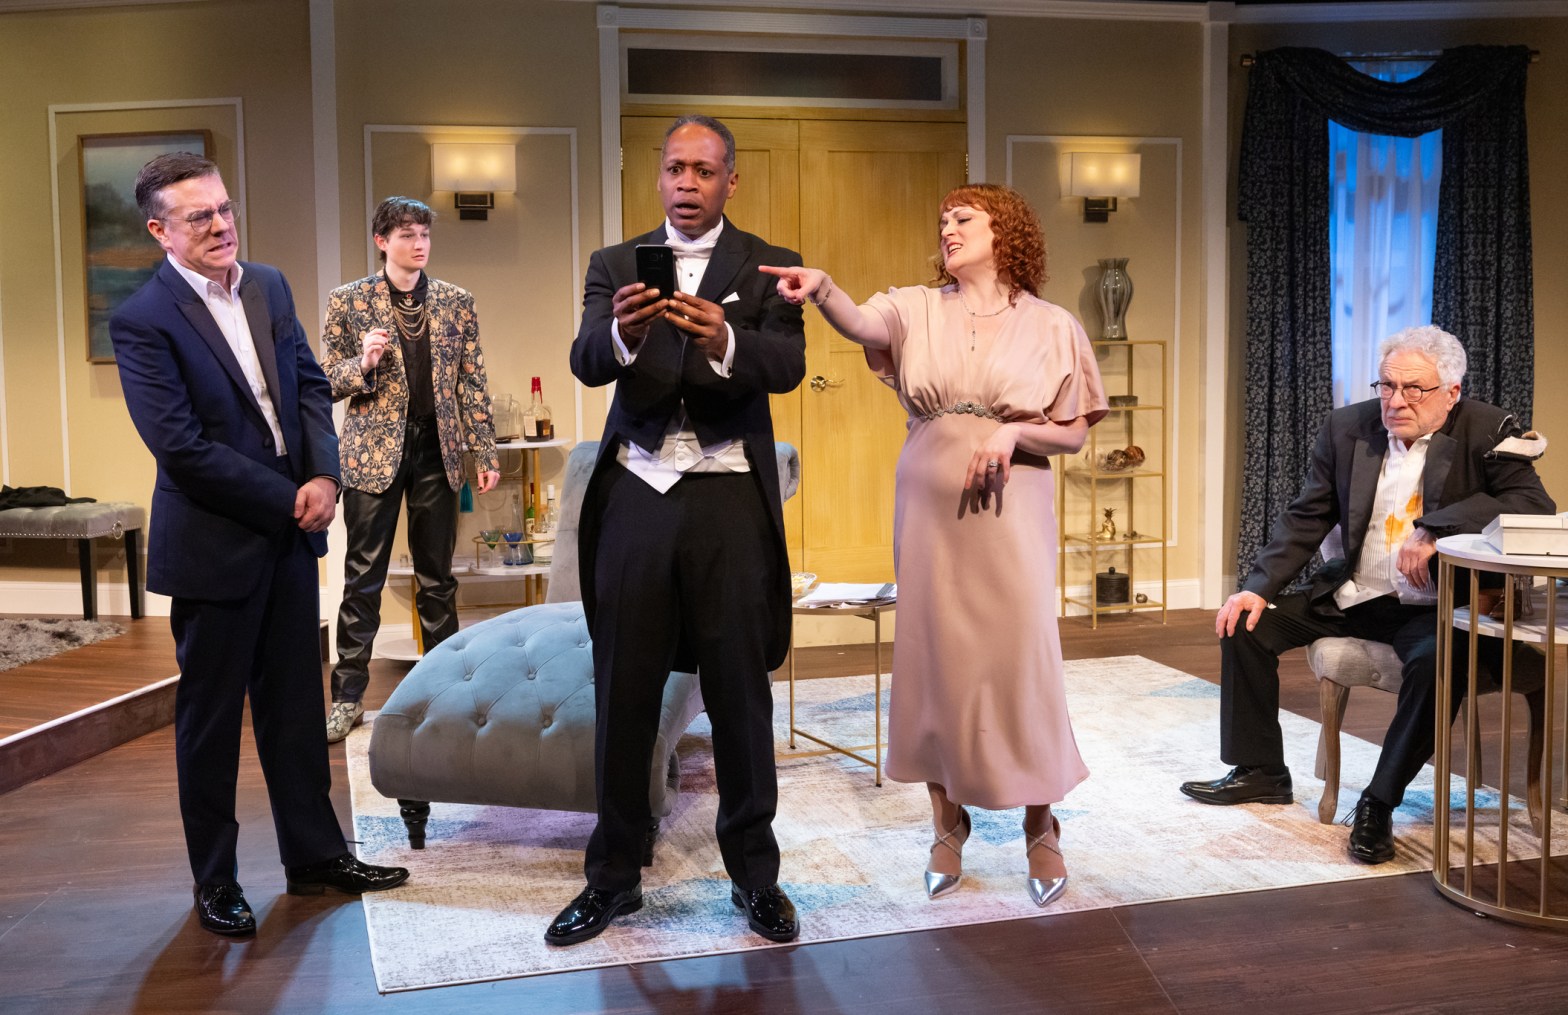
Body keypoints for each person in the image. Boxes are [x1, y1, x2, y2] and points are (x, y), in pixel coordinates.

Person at [762, 182, 1106, 907]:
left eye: (964, 218)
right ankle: (947, 824)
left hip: (1012, 504)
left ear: (1003, 230)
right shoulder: (915, 307)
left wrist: (1012, 432)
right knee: (936, 659)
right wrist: (822, 288)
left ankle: (1040, 824)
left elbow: (1074, 430)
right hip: (927, 506)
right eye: (943, 220)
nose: (948, 229)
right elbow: (860, 323)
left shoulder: (1052, 325)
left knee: (1019, 657)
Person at [110, 153, 407, 937]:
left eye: (224, 208)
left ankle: (316, 857)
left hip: (292, 529)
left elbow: (308, 384)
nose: (221, 225)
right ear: (160, 231)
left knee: (296, 708)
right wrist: (289, 497)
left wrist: (326, 475)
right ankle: (216, 881)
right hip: (215, 542)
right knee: (209, 724)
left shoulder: (268, 285)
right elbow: (181, 448)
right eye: (199, 216)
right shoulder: (143, 319)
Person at [546, 115, 805, 947]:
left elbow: (788, 365)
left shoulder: (770, 264)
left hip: (728, 496)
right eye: (674, 168)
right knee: (624, 688)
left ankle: (755, 877)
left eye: (703, 169)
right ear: (659, 177)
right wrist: (623, 333)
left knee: (739, 692)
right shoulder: (615, 264)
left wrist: (727, 338)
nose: (686, 182)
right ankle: (613, 876)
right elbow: (586, 358)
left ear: (731, 180)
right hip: (639, 492)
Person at [1180, 325, 1554, 864]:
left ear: (1451, 392)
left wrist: (1435, 528)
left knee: (1436, 664)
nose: (1396, 401)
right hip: (1356, 595)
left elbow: (1532, 504)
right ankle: (1261, 770)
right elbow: (1308, 515)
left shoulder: (1488, 428)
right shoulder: (1348, 427)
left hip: (1436, 607)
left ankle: (1378, 803)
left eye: (1414, 389)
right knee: (1244, 623)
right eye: (1387, 386)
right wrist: (1257, 588)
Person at [318, 197, 501, 743]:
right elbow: (325, 379)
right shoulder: (349, 301)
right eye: (406, 235)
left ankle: (446, 693)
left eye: (424, 234)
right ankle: (347, 698)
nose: (419, 244)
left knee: (437, 578)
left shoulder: (455, 301)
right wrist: (363, 363)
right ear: (382, 241)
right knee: (363, 577)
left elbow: (472, 381)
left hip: (436, 450)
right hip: (373, 452)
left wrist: (484, 453)